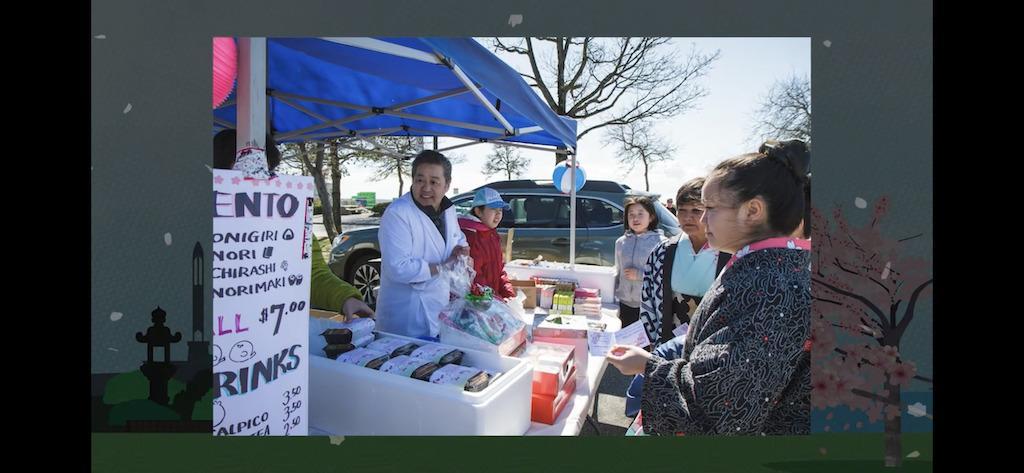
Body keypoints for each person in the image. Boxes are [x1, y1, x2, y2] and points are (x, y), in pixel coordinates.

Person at [608, 139, 812, 436]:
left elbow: (722, 403)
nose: (702, 219)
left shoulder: (771, 288)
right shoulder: (770, 271)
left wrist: (649, 367)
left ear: (752, 210)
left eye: (710, 208)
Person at [213, 129, 374, 321]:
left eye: (267, 173)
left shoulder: (290, 219)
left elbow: (312, 274)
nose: (258, 183)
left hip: (275, 334)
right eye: (244, 173)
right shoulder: (196, 221)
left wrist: (345, 298)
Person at [376, 150, 469, 339]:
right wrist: (443, 267)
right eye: (420, 180)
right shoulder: (398, 213)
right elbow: (398, 268)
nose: (426, 188)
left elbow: (457, 238)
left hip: (438, 303)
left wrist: (462, 251)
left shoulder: (448, 210)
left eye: (434, 182)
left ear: (447, 185)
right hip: (406, 313)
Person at [638, 177, 730, 347]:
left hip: (712, 344)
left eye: (696, 210)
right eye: (682, 210)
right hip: (667, 340)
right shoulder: (663, 251)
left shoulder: (730, 253)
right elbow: (648, 301)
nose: (688, 217)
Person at [614, 195, 668, 328]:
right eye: (631, 214)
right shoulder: (621, 242)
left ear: (651, 217)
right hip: (624, 303)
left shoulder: (661, 243)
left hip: (648, 306)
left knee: (644, 346)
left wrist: (639, 275)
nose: (635, 218)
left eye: (640, 214)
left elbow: (664, 276)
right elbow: (617, 271)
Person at [458, 187, 515, 300]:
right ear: (478, 211)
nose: (498, 214)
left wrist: (508, 293)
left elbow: (499, 271)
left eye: (500, 210)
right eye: (494, 209)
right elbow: (475, 278)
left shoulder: (492, 234)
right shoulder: (471, 237)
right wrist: (497, 300)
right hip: (477, 304)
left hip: (491, 302)